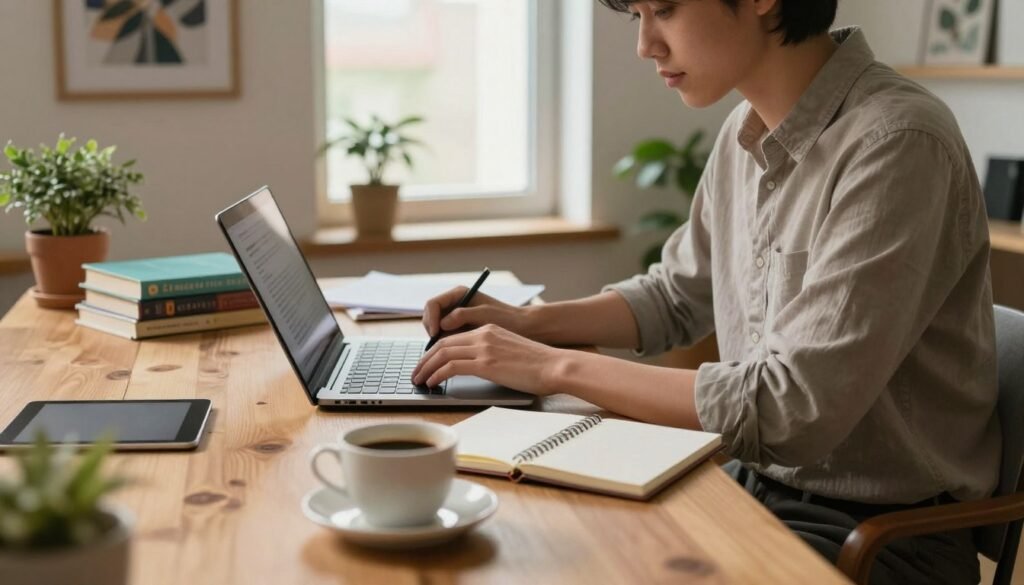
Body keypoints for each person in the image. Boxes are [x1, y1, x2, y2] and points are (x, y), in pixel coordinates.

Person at [411, 1, 1000, 583]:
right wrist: (526, 324)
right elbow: (674, 296)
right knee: (529, 539)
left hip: (877, 538)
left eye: (664, 9)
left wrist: (553, 367)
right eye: (636, 15)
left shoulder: (897, 143)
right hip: (751, 488)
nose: (646, 45)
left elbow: (788, 407)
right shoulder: (741, 136)